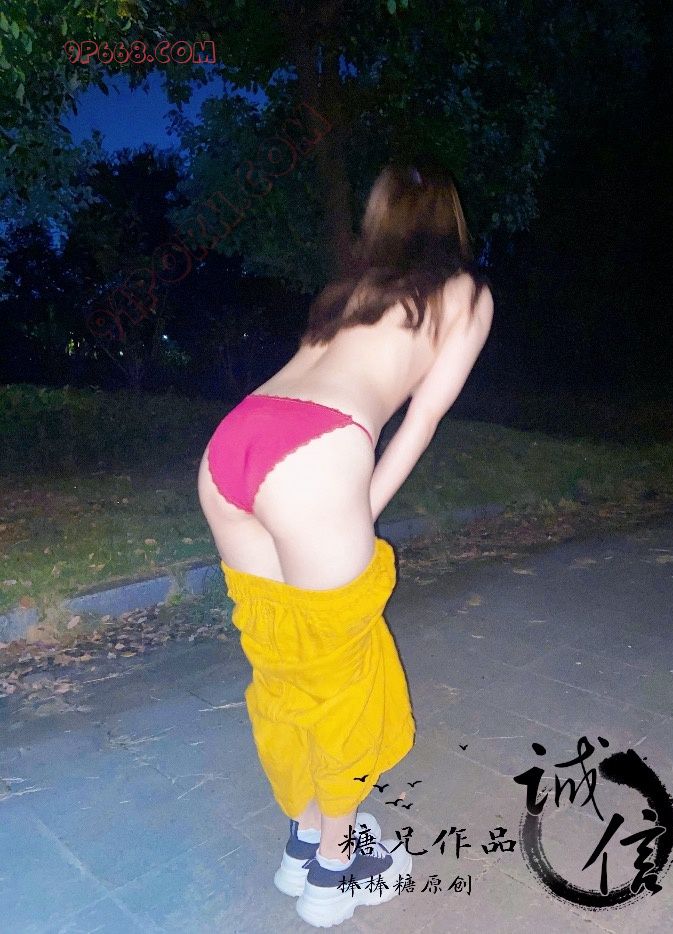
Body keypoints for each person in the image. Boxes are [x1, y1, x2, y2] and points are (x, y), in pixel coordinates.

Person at [197, 159, 494, 927]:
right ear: (451, 219)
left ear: (380, 219)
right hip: (317, 451)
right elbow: (420, 421)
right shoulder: (465, 294)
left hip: (235, 442)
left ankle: (303, 839)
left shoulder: (350, 294)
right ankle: (336, 869)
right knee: (343, 676)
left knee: (280, 656)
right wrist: (360, 508)